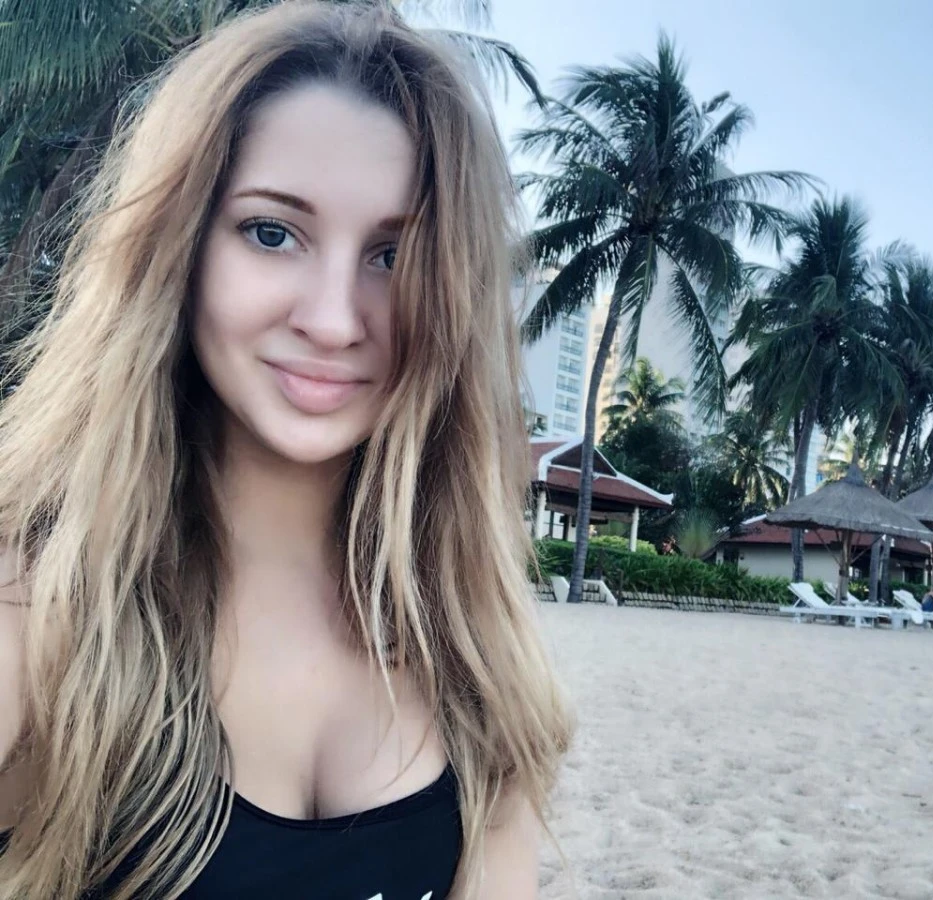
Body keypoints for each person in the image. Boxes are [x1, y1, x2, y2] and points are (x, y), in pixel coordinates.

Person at [0, 3, 573, 897]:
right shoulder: (37, 597)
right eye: (272, 232)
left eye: (392, 255)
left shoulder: (476, 650)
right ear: (181, 248)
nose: (334, 320)